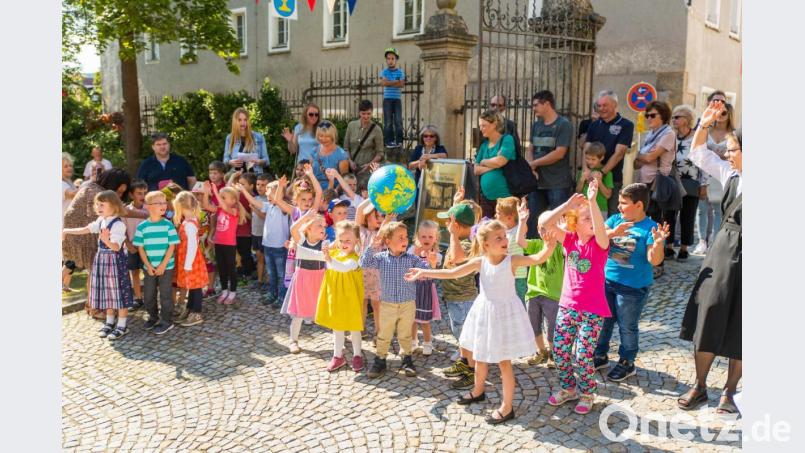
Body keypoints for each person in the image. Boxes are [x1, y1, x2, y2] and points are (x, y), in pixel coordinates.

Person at [405, 220, 553, 425]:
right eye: (498, 238)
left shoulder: (512, 260)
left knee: (504, 363)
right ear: (486, 244)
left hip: (504, 316)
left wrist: (549, 246)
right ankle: (478, 390)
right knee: (480, 355)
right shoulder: (480, 262)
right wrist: (424, 272)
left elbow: (537, 258)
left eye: (504, 236)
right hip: (484, 313)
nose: (505, 240)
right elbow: (452, 273)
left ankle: (507, 407)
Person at [678, 101, 742, 415]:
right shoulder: (731, 174)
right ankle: (700, 385)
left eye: (732, 150)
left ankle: (730, 392)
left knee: (743, 322)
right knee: (709, 311)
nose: (727, 155)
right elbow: (699, 154)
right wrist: (703, 124)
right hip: (724, 249)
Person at [540, 181, 611, 415]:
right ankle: (568, 389)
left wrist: (592, 202)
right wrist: (568, 205)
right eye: (586, 218)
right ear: (575, 223)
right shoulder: (570, 241)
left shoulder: (600, 244)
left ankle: (587, 393)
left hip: (593, 310)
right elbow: (545, 224)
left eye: (594, 218)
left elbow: (600, 229)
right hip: (567, 307)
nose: (592, 221)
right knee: (560, 352)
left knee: (582, 355)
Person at [593, 183, 668, 382]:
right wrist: (613, 232)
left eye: (623, 203)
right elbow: (597, 237)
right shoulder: (615, 220)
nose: (619, 207)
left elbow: (654, 260)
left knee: (627, 326)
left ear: (639, 205)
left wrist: (658, 244)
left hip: (632, 288)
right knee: (604, 321)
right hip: (607, 282)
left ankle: (627, 362)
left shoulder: (650, 228)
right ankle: (599, 355)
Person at [63, 169, 137, 316]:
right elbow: (121, 211)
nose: (120, 195)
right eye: (119, 191)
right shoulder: (97, 193)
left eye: (122, 192)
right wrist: (145, 214)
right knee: (94, 270)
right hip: (83, 237)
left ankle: (94, 306)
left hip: (84, 232)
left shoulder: (92, 187)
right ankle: (94, 308)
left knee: (92, 270)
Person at [361, 221, 429, 378]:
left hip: (408, 303)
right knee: (384, 333)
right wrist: (372, 246)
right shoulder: (380, 258)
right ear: (388, 241)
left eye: (406, 237)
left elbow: (426, 271)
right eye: (400, 237)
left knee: (405, 333)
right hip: (387, 304)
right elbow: (364, 263)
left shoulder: (412, 258)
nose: (405, 240)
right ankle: (380, 359)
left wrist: (430, 263)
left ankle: (406, 358)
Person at [62, 190, 133, 340]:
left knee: (119, 293)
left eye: (102, 204)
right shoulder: (101, 220)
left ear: (114, 206)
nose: (98, 207)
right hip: (102, 261)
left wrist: (106, 240)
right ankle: (109, 322)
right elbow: (86, 229)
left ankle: (122, 325)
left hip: (115, 263)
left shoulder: (118, 224)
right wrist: (66, 230)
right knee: (107, 293)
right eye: (97, 204)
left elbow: (116, 247)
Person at [438, 193, 481, 390]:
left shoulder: (465, 243)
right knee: (460, 333)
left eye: (449, 222)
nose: (446, 225)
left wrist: (453, 234)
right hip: (454, 298)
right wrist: (455, 204)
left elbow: (456, 258)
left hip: (463, 300)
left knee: (466, 335)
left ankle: (471, 371)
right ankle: (465, 360)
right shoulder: (460, 237)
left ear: (457, 226)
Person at [312, 221, 365, 372]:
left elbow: (342, 267)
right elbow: (327, 263)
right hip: (335, 297)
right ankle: (337, 356)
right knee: (337, 327)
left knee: (354, 328)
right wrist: (327, 253)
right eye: (341, 240)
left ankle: (357, 355)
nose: (344, 244)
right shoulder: (334, 254)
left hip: (351, 298)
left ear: (356, 240)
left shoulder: (355, 259)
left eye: (348, 240)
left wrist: (328, 258)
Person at [517, 206, 565, 370]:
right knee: (533, 326)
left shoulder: (560, 247)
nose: (546, 232)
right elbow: (520, 242)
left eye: (551, 227)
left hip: (554, 295)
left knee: (552, 327)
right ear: (538, 230)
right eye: (542, 228)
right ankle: (541, 351)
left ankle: (553, 353)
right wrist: (522, 221)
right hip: (533, 293)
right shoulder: (537, 245)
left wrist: (564, 231)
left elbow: (569, 247)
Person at [526, 90, 574, 238]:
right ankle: (533, 251)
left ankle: (559, 251)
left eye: (536, 105)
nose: (533, 108)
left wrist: (534, 163)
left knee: (559, 222)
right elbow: (530, 148)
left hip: (557, 183)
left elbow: (559, 153)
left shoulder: (563, 125)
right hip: (536, 183)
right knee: (533, 222)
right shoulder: (536, 125)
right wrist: (530, 166)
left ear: (547, 103)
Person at [238, 177, 291, 308]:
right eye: (267, 193)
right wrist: (243, 190)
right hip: (268, 246)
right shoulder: (268, 206)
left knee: (281, 274)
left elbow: (278, 199)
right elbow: (253, 201)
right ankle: (272, 294)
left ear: (279, 194)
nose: (268, 195)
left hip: (280, 247)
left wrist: (280, 186)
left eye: (270, 192)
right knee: (272, 273)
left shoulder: (283, 208)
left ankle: (282, 297)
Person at [133, 190, 181, 335]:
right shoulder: (142, 227)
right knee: (149, 294)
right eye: (159, 203)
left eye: (164, 202)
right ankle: (153, 317)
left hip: (166, 267)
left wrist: (162, 265)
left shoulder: (168, 225)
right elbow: (140, 248)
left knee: (165, 294)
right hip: (149, 268)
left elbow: (172, 247)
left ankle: (167, 321)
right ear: (148, 206)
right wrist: (148, 266)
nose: (163, 205)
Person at [582, 90, 635, 216]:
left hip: (612, 178)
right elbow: (586, 148)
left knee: (612, 217)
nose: (601, 109)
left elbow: (619, 153)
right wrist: (586, 170)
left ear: (615, 105)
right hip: (590, 178)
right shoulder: (594, 125)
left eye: (605, 105)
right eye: (599, 106)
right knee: (588, 216)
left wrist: (601, 173)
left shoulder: (626, 125)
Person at [283, 209, 328, 354]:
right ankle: (293, 340)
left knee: (326, 310)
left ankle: (340, 337)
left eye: (324, 226)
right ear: (308, 228)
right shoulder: (302, 240)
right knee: (299, 313)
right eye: (319, 225)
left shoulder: (325, 243)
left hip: (320, 279)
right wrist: (306, 217)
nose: (323, 228)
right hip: (303, 279)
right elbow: (293, 229)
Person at [693, 102, 735, 255]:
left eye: (723, 113)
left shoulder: (733, 134)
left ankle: (715, 241)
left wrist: (721, 156)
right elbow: (698, 152)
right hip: (704, 173)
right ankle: (701, 241)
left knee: (718, 210)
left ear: (729, 115)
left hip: (721, 174)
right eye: (718, 113)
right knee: (701, 209)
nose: (720, 116)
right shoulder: (706, 131)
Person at [201, 183, 247, 305]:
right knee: (221, 269)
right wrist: (206, 192)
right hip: (219, 243)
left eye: (223, 197)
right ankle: (224, 291)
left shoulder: (234, 210)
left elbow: (226, 208)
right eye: (220, 197)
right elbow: (206, 205)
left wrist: (216, 192)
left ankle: (233, 292)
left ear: (233, 200)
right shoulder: (220, 209)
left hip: (229, 245)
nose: (220, 199)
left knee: (231, 269)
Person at [670, 105, 704, 260]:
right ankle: (669, 246)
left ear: (687, 119)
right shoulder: (670, 136)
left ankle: (684, 249)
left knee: (688, 216)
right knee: (669, 215)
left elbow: (704, 163)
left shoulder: (697, 138)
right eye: (673, 117)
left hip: (691, 182)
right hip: (672, 181)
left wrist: (704, 184)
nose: (674, 120)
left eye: (677, 117)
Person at [633, 100, 677, 219]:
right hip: (644, 183)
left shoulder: (668, 133)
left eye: (652, 115)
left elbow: (650, 157)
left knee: (656, 219)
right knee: (643, 218)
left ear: (663, 116)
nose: (648, 118)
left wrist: (638, 156)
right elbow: (639, 162)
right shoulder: (651, 134)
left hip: (657, 183)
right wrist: (641, 157)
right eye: (646, 115)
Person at [172, 191, 209, 327]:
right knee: (193, 287)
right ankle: (190, 309)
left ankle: (196, 313)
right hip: (190, 260)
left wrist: (187, 264)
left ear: (180, 206)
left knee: (196, 287)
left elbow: (192, 245)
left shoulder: (189, 224)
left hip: (191, 261)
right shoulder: (190, 221)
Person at [408, 220, 442, 356]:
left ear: (435, 238)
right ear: (417, 237)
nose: (426, 239)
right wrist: (415, 255)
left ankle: (427, 343)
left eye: (430, 237)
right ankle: (413, 342)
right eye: (423, 236)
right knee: (412, 318)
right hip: (412, 288)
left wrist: (432, 262)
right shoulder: (412, 250)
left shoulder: (436, 255)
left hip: (426, 290)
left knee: (424, 320)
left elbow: (434, 272)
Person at [474, 110, 516, 219]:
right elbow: (476, 169)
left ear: (494, 124)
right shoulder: (484, 145)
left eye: (484, 125)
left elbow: (500, 161)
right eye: (480, 125)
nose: (481, 129)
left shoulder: (507, 139)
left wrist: (484, 162)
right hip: (486, 198)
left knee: (505, 227)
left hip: (505, 198)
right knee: (486, 227)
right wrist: (493, 166)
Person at [343, 100, 384, 188]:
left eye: (368, 114)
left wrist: (369, 165)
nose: (366, 116)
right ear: (359, 113)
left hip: (368, 171)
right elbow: (346, 148)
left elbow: (380, 153)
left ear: (372, 112)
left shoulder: (377, 129)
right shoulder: (351, 125)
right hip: (352, 171)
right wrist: (350, 161)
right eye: (363, 113)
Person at [495, 197, 528, 303]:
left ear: (509, 217)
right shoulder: (502, 232)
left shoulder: (518, 229)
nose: (495, 215)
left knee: (519, 302)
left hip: (518, 276)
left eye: (498, 213)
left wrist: (522, 219)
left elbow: (524, 229)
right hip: (505, 274)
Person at [123, 180, 148, 311]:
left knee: (149, 273)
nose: (142, 196)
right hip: (132, 247)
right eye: (139, 193)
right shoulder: (126, 210)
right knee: (135, 273)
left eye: (144, 193)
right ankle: (138, 298)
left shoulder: (149, 209)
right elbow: (122, 230)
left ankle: (150, 298)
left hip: (147, 247)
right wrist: (128, 245)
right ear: (131, 195)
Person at [223, 107, 269, 175]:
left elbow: (267, 161)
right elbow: (225, 160)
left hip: (255, 176)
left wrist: (259, 161)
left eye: (245, 120)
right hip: (236, 176)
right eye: (239, 120)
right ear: (235, 121)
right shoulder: (230, 138)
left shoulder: (259, 137)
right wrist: (230, 162)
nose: (243, 123)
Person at [576, 142, 614, 214]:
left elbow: (608, 195)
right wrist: (582, 180)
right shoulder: (583, 172)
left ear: (601, 158)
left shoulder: (607, 174)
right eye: (587, 158)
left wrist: (599, 182)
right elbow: (578, 192)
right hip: (584, 208)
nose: (590, 161)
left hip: (600, 209)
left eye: (593, 159)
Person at [309, 121, 350, 188]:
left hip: (333, 191)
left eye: (327, 136)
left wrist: (335, 191)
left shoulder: (341, 154)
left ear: (333, 136)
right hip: (314, 190)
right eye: (321, 136)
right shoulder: (314, 151)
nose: (323, 139)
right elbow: (309, 173)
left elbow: (344, 179)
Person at [379, 47, 405, 148]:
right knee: (388, 122)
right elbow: (383, 83)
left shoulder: (401, 72)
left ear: (396, 59)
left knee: (398, 121)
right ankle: (388, 142)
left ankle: (399, 142)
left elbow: (401, 84)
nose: (390, 61)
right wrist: (396, 81)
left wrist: (389, 82)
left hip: (397, 99)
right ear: (386, 60)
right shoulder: (383, 72)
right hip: (387, 100)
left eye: (392, 58)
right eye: (388, 58)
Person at [251, 174, 271, 291]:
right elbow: (251, 217)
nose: (259, 187)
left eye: (263, 185)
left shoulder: (269, 200)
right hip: (255, 233)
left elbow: (265, 217)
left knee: (267, 259)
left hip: (265, 235)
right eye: (258, 184)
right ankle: (259, 281)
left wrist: (254, 209)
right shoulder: (255, 199)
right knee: (259, 258)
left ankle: (268, 282)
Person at [62, 153, 79, 217]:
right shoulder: (61, 184)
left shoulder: (68, 181)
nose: (69, 168)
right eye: (66, 166)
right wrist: (87, 185)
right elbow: (72, 194)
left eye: (70, 165)